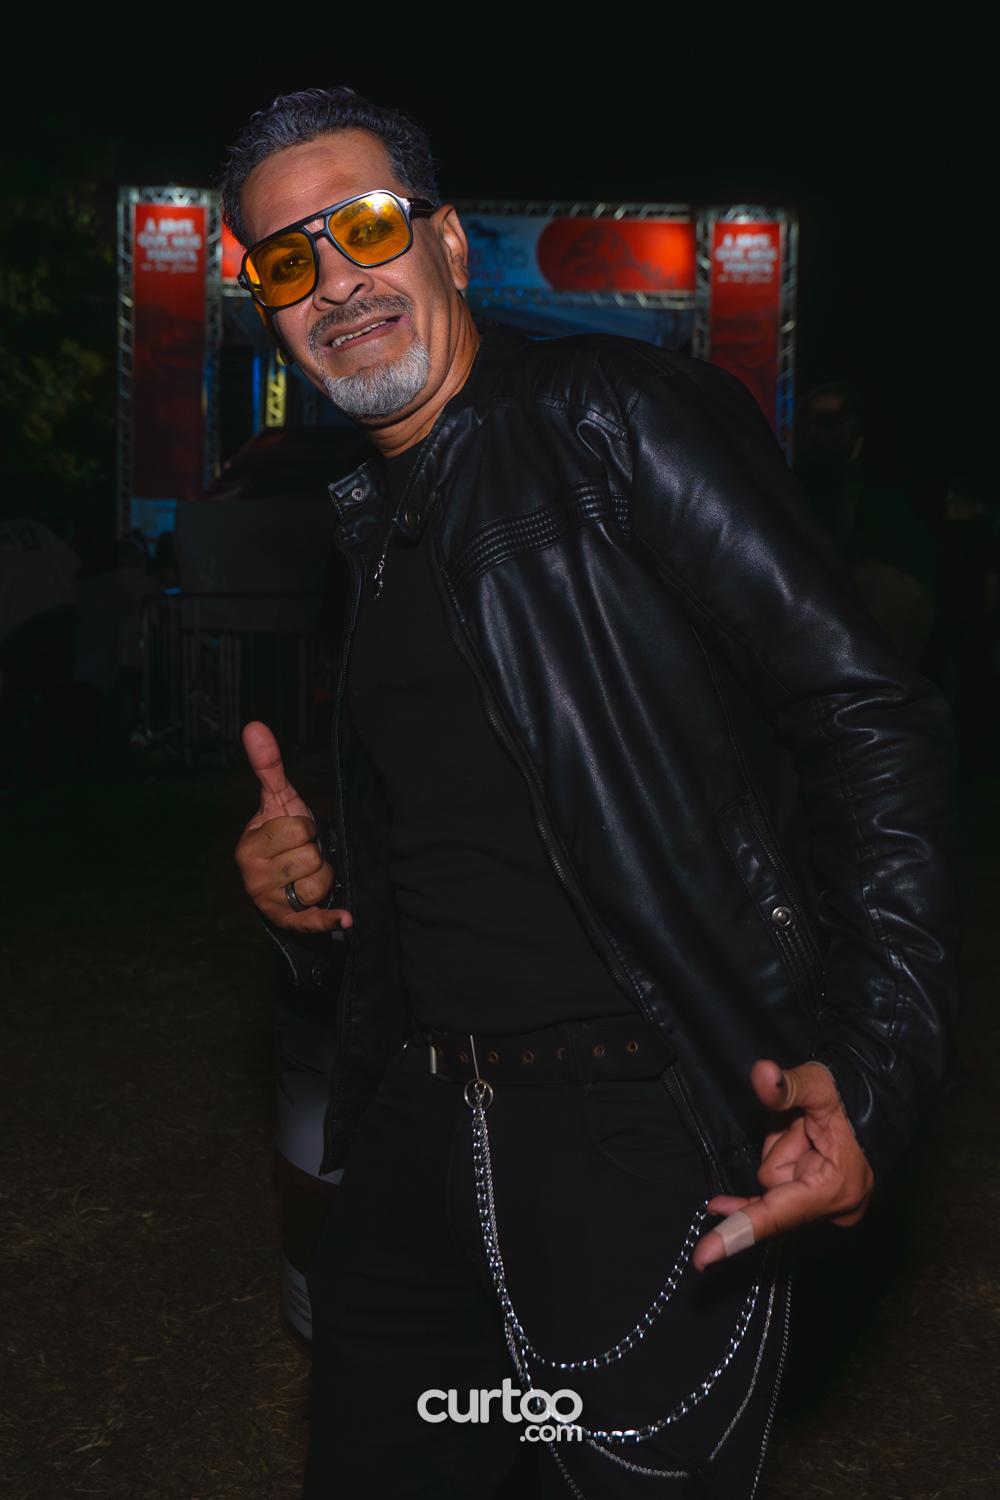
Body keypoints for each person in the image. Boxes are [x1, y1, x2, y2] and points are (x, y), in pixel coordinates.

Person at [226, 89, 957, 1499]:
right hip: (422, 1137)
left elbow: (864, 711)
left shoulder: (610, 415)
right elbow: (501, 823)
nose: (334, 282)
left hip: (638, 1135)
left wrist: (872, 1066)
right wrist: (313, 892)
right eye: (285, 260)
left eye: (364, 228)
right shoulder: (369, 524)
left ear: (446, 242)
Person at [793, 383, 938, 665]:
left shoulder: (882, 511)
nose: (823, 438)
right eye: (819, 427)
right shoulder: (885, 511)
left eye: (834, 427)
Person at [0, 513, 79, 786]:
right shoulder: (35, 528)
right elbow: (73, 564)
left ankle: (14, 768)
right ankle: (50, 767)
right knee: (54, 696)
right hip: (59, 614)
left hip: (19, 625)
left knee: (16, 700)